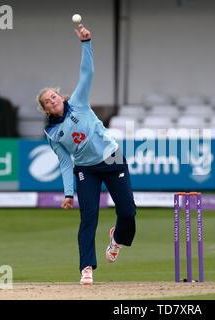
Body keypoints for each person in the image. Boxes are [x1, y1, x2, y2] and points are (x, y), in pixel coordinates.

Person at [37, 25, 137, 285]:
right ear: (45, 108)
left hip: (112, 157)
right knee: (88, 217)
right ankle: (86, 268)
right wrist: (68, 193)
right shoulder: (52, 134)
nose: (53, 99)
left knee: (128, 212)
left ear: (61, 97)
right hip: (86, 169)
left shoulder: (78, 102)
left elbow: (87, 72)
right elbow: (63, 162)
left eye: (54, 95)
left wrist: (86, 42)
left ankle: (118, 239)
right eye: (47, 100)